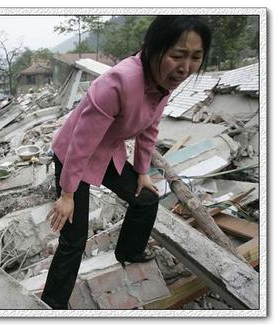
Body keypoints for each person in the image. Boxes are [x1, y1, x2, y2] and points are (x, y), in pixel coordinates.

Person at [40, 16, 212, 309]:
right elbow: (81, 144)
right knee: (74, 238)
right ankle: (52, 305)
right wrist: (67, 194)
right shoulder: (117, 83)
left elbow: (149, 129)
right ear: (153, 48)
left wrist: (142, 171)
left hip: (106, 150)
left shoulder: (162, 82)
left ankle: (129, 251)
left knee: (145, 199)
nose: (185, 68)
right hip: (73, 154)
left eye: (196, 57)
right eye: (177, 56)